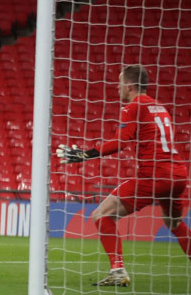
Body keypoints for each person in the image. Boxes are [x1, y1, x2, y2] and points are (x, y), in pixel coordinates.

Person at [57, 64, 191, 287]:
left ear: (129, 85)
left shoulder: (133, 106)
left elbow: (120, 142)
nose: (117, 87)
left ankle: (117, 270)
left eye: (119, 82)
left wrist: (84, 154)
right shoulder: (159, 107)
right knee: (174, 221)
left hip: (154, 175)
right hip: (178, 175)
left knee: (101, 215)